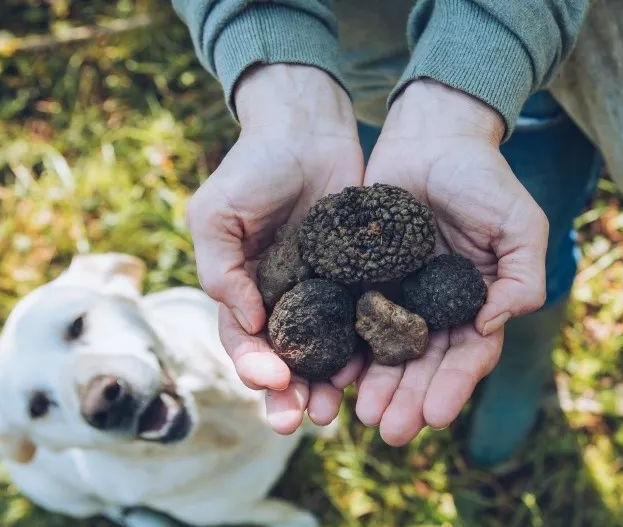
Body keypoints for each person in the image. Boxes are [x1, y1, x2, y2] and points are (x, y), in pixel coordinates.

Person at [171, 0, 598, 466]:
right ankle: (522, 357)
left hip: (533, 58)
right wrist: (279, 74)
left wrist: (480, 65)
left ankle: (524, 362)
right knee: (494, 252)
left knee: (526, 258)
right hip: (348, 72)